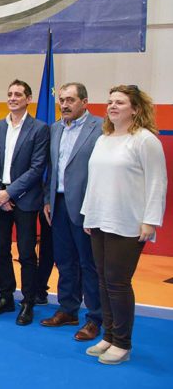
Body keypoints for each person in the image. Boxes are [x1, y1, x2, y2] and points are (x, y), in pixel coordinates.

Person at [81, 85, 167, 365]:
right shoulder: (104, 138)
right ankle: (108, 335)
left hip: (128, 223)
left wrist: (150, 221)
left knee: (117, 283)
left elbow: (157, 181)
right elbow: (94, 180)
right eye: (110, 102)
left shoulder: (145, 140)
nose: (112, 106)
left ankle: (123, 343)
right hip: (100, 219)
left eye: (120, 102)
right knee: (103, 281)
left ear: (135, 109)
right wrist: (88, 214)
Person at [40, 83, 103, 341]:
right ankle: (68, 309)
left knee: (89, 264)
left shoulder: (100, 128)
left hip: (86, 206)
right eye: (62, 100)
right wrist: (47, 199)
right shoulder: (55, 128)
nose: (64, 105)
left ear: (84, 102)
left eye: (70, 100)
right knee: (64, 261)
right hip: (58, 203)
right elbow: (51, 169)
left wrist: (95, 206)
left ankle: (95, 318)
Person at [0, 80, 49, 326]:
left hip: (24, 200)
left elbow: (37, 168)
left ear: (28, 99)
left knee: (26, 254)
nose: (13, 97)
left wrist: (10, 193)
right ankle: (5, 297)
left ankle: (28, 302)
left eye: (18, 94)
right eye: (10, 93)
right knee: (1, 251)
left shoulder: (40, 129)